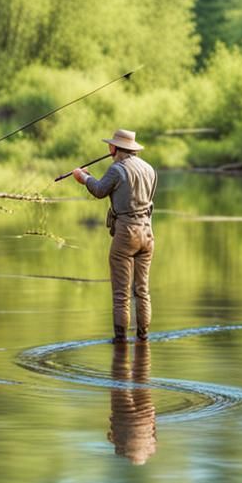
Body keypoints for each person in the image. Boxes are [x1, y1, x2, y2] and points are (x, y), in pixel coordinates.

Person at [70, 128, 157, 343]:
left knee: (121, 295)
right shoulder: (149, 169)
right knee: (142, 290)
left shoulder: (117, 169)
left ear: (114, 148)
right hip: (147, 233)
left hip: (126, 234)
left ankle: (120, 342)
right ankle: (143, 338)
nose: (109, 148)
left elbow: (99, 191)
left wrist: (83, 177)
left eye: (110, 145)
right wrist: (89, 177)